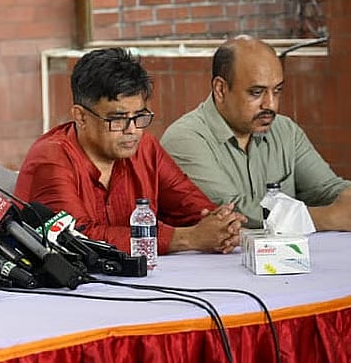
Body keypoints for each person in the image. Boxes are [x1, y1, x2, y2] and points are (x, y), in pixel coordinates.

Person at [15, 48, 245, 256]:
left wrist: (223, 226)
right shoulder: (50, 159)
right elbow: (78, 240)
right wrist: (186, 239)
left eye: (139, 117)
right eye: (117, 119)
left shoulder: (145, 148)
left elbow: (192, 207)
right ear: (81, 116)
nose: (132, 130)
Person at [161, 36, 351, 231]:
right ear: (221, 89)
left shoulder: (285, 130)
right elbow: (233, 210)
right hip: (214, 274)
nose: (271, 104)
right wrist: (329, 218)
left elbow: (325, 188)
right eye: (257, 92)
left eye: (277, 91)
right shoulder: (184, 139)